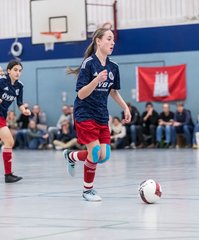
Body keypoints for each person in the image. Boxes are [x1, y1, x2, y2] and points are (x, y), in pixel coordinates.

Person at [63, 28, 131, 201]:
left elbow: (113, 92)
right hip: (84, 112)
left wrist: (125, 108)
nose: (112, 42)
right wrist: (96, 80)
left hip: (102, 114)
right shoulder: (89, 64)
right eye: (109, 39)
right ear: (98, 41)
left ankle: (70, 156)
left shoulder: (114, 67)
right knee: (94, 154)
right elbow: (81, 94)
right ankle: (87, 191)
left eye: (113, 40)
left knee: (104, 155)